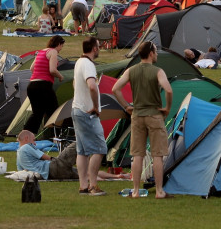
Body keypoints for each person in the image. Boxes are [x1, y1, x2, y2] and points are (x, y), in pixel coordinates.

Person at [112, 41, 174, 199]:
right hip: (154, 115)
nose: (157, 54)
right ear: (151, 53)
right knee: (157, 155)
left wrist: (126, 106)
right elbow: (168, 89)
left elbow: (115, 89)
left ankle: (135, 191)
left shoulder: (131, 70)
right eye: (156, 51)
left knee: (137, 155)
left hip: (137, 116)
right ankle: (159, 191)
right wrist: (167, 108)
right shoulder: (158, 71)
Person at [73, 37, 108, 196]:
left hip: (77, 109)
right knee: (100, 148)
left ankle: (83, 186)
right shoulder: (88, 64)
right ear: (94, 48)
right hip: (87, 112)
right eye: (98, 46)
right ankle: (93, 185)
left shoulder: (79, 62)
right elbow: (92, 86)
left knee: (82, 151)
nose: (99, 49)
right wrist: (95, 106)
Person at [24, 35, 65, 133]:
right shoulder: (53, 51)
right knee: (54, 111)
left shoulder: (41, 52)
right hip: (43, 85)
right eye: (62, 46)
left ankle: (25, 134)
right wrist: (60, 76)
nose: (61, 49)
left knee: (37, 113)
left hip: (32, 85)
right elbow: (52, 70)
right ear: (58, 44)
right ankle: (55, 136)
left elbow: (32, 68)